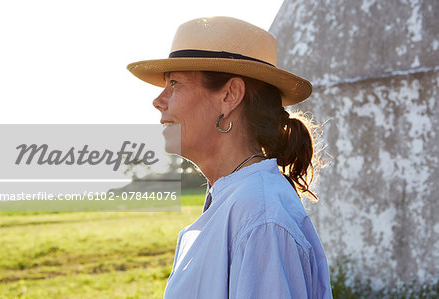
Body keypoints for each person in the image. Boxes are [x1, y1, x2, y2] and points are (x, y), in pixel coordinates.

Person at [127, 16, 332, 299]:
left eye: (174, 83)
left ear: (230, 95)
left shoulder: (259, 217)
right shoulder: (240, 202)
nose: (158, 100)